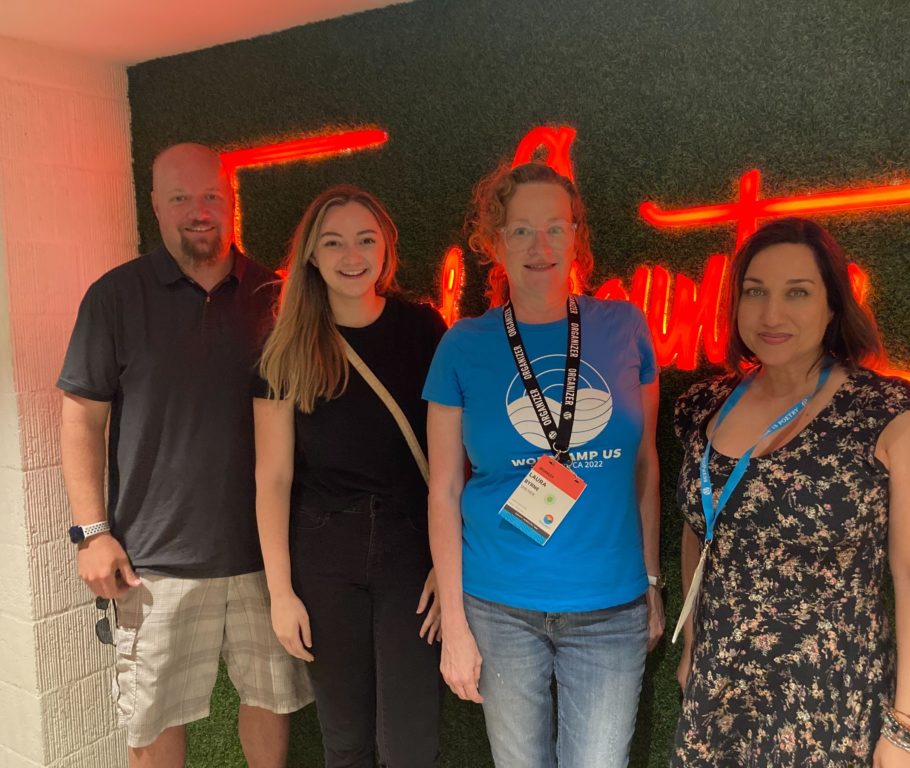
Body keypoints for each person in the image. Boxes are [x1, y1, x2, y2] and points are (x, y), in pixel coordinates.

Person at [58, 143, 312, 768]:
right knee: (152, 722)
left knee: (271, 706)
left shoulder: (277, 298)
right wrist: (92, 534)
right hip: (154, 564)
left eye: (210, 197)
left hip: (265, 560)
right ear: (155, 205)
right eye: (180, 198)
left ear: (230, 202)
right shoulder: (115, 297)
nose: (198, 212)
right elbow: (82, 420)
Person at [670, 217, 910, 766]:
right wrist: (695, 642)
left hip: (829, 701)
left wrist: (909, 729)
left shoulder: (890, 416)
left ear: (832, 304)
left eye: (797, 292)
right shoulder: (705, 406)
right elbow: (698, 529)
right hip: (719, 689)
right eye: (755, 293)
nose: (772, 315)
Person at [423, 161, 665, 768]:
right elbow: (444, 489)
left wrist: (654, 582)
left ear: (577, 237)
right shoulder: (463, 344)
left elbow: (645, 466)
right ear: (495, 243)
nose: (539, 245)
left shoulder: (624, 328)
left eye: (555, 228)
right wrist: (454, 622)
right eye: (521, 230)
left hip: (610, 609)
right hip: (499, 606)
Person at [254, 185, 447, 768]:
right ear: (311, 254)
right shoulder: (285, 347)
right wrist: (281, 593)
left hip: (410, 553)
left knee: (409, 743)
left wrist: (447, 560)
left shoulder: (424, 330)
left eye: (366, 239)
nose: (351, 254)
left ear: (386, 247)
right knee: (344, 741)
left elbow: (449, 464)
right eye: (333, 242)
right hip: (322, 556)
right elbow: (273, 478)